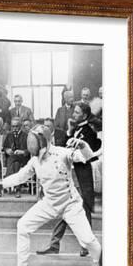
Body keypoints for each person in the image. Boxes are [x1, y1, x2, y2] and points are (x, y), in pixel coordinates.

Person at [0, 124, 102, 266]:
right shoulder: (34, 161)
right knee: (23, 226)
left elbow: (87, 157)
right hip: (49, 203)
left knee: (87, 240)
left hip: (70, 204)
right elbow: (19, 177)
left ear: (43, 140)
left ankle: (103, 261)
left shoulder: (62, 153)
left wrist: (82, 145)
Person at [37, 102, 102, 257]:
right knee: (67, 208)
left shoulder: (89, 131)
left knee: (83, 210)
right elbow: (65, 147)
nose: (73, 115)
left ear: (84, 115)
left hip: (82, 176)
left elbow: (88, 153)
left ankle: (85, 245)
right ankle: (55, 244)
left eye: (77, 113)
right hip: (71, 174)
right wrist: (70, 131)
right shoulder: (76, 129)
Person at [2, 117, 29, 198]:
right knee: (15, 164)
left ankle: (7, 180)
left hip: (23, 159)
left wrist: (23, 152)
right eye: (13, 126)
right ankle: (17, 189)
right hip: (14, 161)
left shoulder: (26, 136)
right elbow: (4, 147)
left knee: (12, 159)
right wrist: (7, 150)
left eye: (16, 126)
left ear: (20, 126)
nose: (14, 128)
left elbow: (30, 150)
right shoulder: (9, 135)